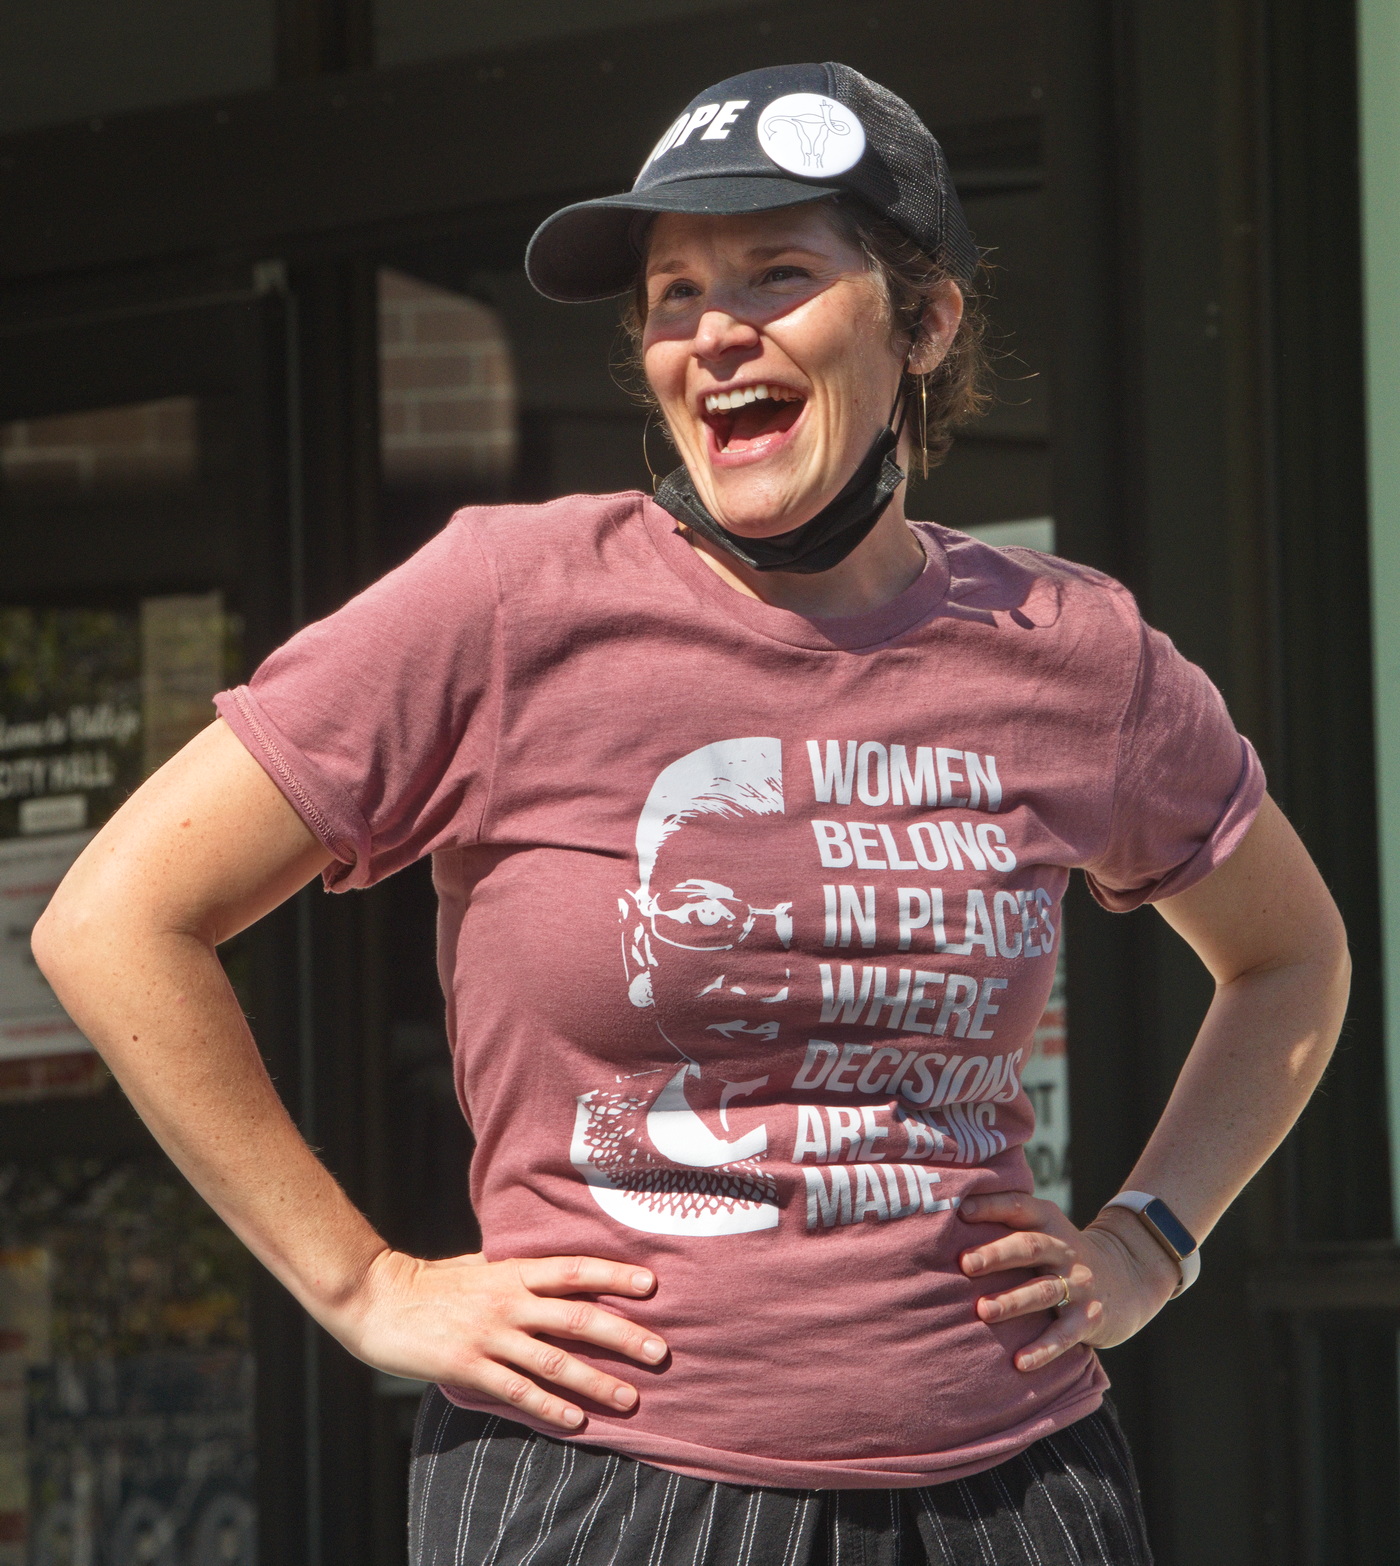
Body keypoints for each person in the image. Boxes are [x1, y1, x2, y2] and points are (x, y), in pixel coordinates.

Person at [33, 62, 1349, 1566]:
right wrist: (363, 1284)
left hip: (1014, 1480)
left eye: (778, 273)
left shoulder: (1072, 649)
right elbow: (114, 920)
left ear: (924, 323)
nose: (716, 332)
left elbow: (1291, 960)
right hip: (607, 1482)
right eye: (673, 294)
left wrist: (1149, 1241)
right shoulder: (508, 602)